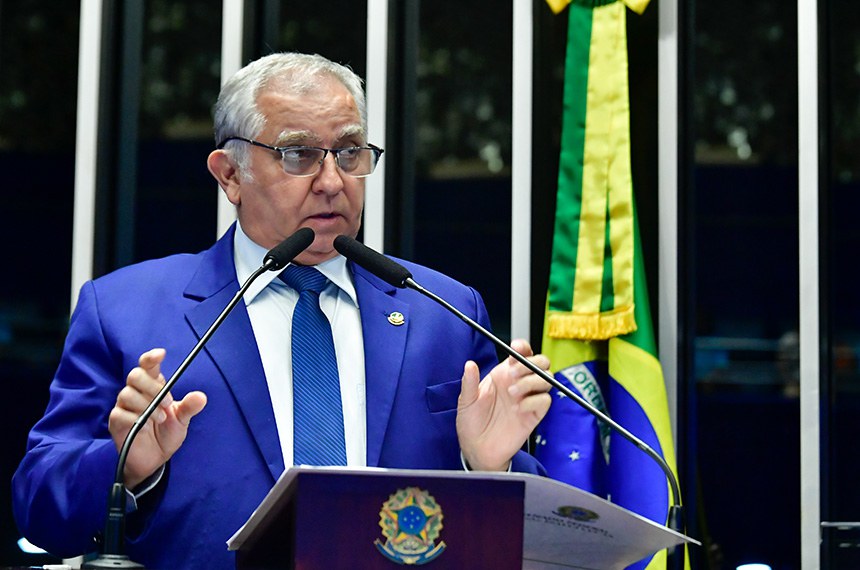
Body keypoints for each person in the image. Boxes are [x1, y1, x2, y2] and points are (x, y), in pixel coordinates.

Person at [12, 52, 552, 569]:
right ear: (229, 175)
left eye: (349, 153)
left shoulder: (444, 312)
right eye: (299, 155)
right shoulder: (126, 310)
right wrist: (125, 468)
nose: (333, 181)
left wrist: (489, 468)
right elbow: (40, 508)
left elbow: (531, 537)